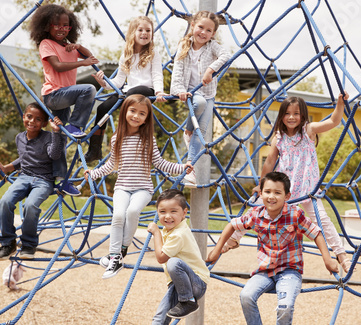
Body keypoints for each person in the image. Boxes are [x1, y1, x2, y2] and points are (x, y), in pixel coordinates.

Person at [207, 172, 339, 325]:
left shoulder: (295, 214)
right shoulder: (256, 214)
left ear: (287, 196)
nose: (271, 196)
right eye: (267, 192)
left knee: (285, 306)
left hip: (290, 270)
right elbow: (232, 225)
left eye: (277, 193)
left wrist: (327, 259)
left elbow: (316, 233)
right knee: (246, 295)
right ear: (261, 193)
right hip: (265, 271)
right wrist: (216, 251)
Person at [84, 94, 193, 279]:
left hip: (143, 188)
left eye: (141, 113)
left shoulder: (148, 139)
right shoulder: (117, 138)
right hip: (122, 187)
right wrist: (93, 173)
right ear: (125, 111)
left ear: (146, 118)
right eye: (132, 111)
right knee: (118, 215)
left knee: (132, 212)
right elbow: (111, 164)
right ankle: (114, 255)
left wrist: (181, 168)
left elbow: (160, 163)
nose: (136, 116)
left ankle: (120, 252)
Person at [245, 92, 353, 272]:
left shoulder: (308, 130)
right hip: (284, 190)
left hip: (308, 189)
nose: (291, 117)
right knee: (256, 206)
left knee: (323, 221)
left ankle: (341, 254)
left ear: (303, 115)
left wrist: (340, 104)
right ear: (281, 116)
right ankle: (234, 237)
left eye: (296, 113)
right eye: (287, 113)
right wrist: (262, 184)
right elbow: (270, 162)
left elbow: (334, 122)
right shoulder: (278, 137)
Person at [29, 3, 99, 196]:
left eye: (66, 25)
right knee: (89, 89)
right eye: (57, 25)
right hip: (54, 95)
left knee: (58, 139)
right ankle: (76, 125)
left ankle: (61, 180)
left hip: (65, 97)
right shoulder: (46, 44)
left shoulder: (69, 47)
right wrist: (83, 62)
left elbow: (92, 57)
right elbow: (58, 66)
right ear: (47, 25)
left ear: (71, 27)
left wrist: (79, 47)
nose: (61, 29)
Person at [86, 16, 167, 163]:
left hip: (147, 91)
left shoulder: (153, 54)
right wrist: (104, 83)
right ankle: (95, 149)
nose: (145, 33)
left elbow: (157, 75)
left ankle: (121, 139)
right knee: (103, 108)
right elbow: (118, 81)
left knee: (129, 96)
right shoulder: (126, 55)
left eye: (148, 30)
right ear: (132, 33)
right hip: (127, 92)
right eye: (140, 30)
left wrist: (159, 92)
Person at [0, 103, 63, 260]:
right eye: (29, 117)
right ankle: (8, 243)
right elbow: (22, 159)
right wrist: (6, 168)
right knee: (5, 201)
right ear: (23, 117)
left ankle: (29, 244)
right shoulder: (19, 137)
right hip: (24, 177)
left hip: (44, 180)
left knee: (30, 205)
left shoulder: (48, 137)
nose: (32, 121)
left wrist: (56, 132)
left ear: (44, 123)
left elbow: (55, 155)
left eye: (38, 119)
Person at [170, 10, 231, 184]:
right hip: (191, 92)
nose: (203, 33)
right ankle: (188, 130)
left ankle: (190, 170)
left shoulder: (212, 46)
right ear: (192, 26)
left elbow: (226, 56)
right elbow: (177, 72)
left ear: (213, 33)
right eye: (200, 27)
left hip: (208, 93)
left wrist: (210, 69)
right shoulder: (184, 46)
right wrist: (179, 90)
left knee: (200, 132)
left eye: (209, 30)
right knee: (199, 104)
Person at [148, 189, 210, 323]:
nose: (168, 216)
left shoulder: (178, 234)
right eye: (162, 212)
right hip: (179, 284)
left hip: (195, 283)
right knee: (160, 318)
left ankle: (188, 301)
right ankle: (186, 300)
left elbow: (161, 257)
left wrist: (156, 233)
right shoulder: (172, 229)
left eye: (173, 211)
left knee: (173, 262)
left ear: (184, 213)